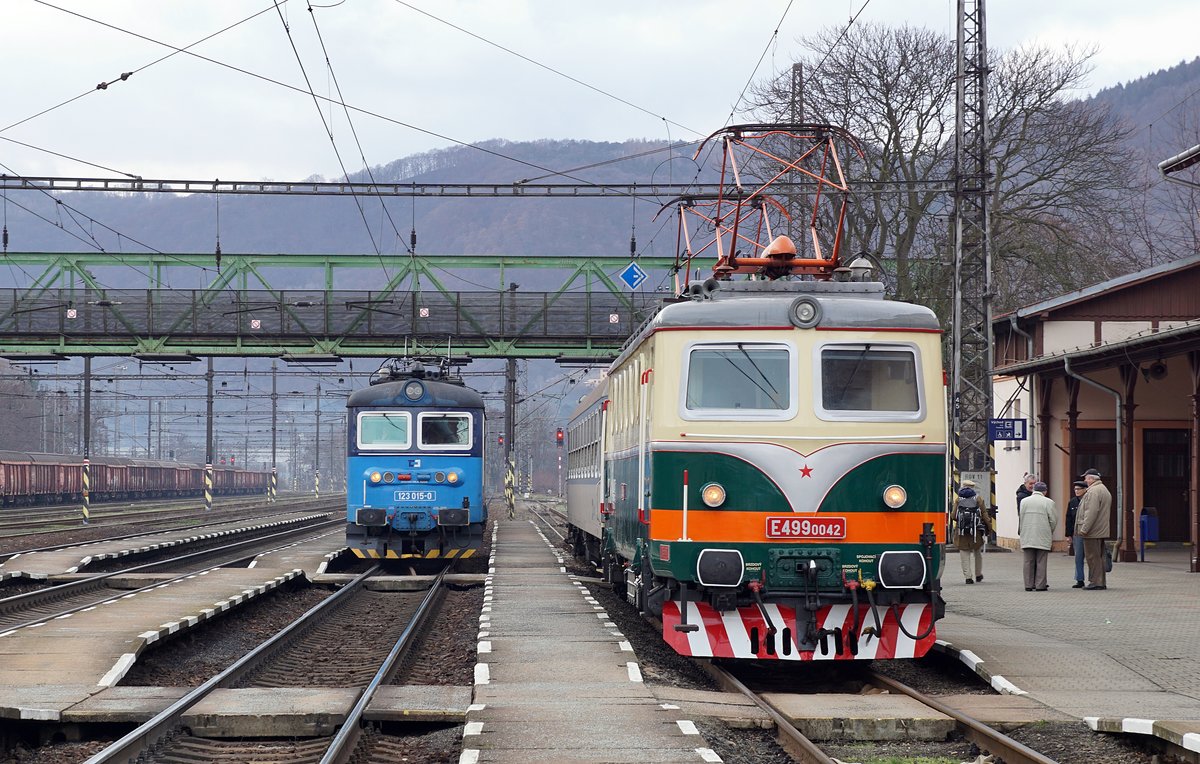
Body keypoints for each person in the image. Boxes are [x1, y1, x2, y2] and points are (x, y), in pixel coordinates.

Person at [1018, 481, 1058, 591]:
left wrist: (1022, 531)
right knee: (1041, 561)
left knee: (1028, 561)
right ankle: (1040, 585)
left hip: (1027, 534)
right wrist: (1050, 531)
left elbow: (1021, 517)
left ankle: (1028, 585)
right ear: (1045, 491)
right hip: (1043, 534)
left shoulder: (1024, 501)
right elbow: (1053, 520)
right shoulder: (1049, 502)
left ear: (1034, 490)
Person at [1077, 468, 1112, 590]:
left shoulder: (1093, 492)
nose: (1085, 480)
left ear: (1091, 479)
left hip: (1093, 531)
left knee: (1092, 557)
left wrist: (1084, 529)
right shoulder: (1103, 489)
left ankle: (1095, 582)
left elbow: (1091, 512)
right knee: (1099, 556)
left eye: (1086, 478)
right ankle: (1100, 582)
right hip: (1100, 530)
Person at [953, 480, 991, 584]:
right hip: (975, 532)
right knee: (977, 553)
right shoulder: (978, 499)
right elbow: (984, 514)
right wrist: (989, 527)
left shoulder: (958, 499)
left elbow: (953, 516)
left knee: (964, 554)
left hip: (962, 533)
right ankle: (978, 574)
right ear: (972, 488)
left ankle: (968, 577)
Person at [1067, 480, 1087, 587]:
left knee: (1091, 557)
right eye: (1075, 489)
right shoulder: (1073, 502)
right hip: (1077, 533)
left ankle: (1094, 579)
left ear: (1084, 490)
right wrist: (1068, 535)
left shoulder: (1088, 500)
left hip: (1088, 532)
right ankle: (1079, 579)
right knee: (1078, 557)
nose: (1076, 491)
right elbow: (1068, 518)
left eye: (1078, 489)